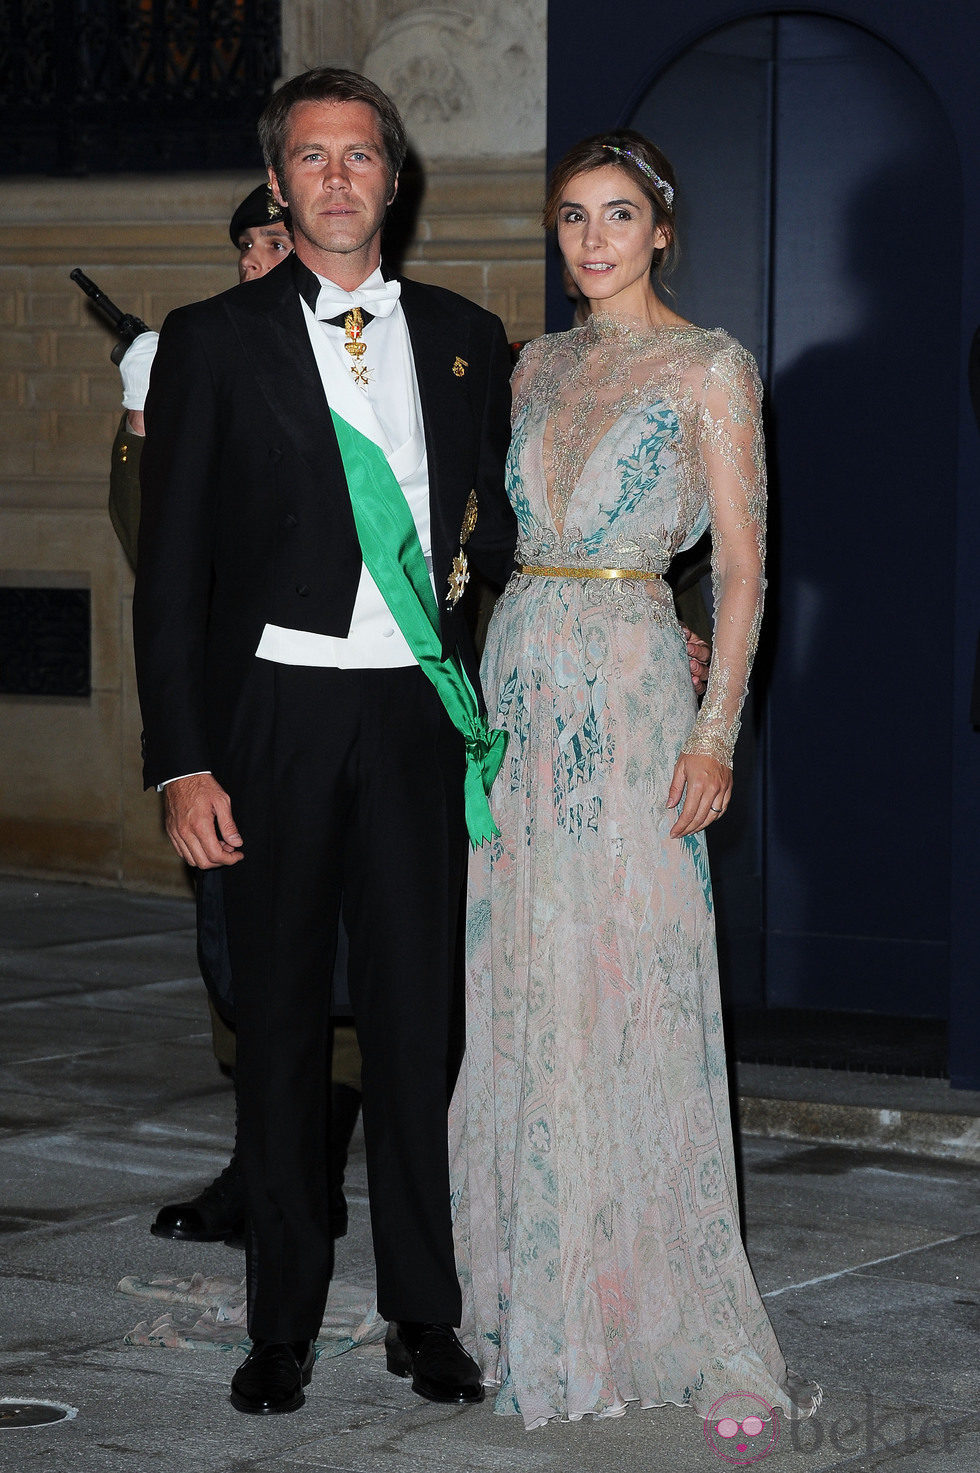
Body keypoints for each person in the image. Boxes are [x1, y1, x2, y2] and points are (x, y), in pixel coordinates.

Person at [132, 68, 518, 1416]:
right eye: (313, 158)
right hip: (275, 723)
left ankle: (425, 1311)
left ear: (393, 181)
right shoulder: (211, 338)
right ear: (282, 183)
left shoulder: (471, 338)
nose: (339, 180)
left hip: (413, 724)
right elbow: (168, 576)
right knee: (283, 1026)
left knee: (422, 1029)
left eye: (362, 157)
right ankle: (282, 1321)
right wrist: (182, 760)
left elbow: (506, 551)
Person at [450, 130, 821, 1431]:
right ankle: (539, 1282)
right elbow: (497, 533)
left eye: (618, 215)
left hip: (629, 687)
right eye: (571, 217)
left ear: (661, 230)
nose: (593, 238)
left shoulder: (710, 365)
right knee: (529, 971)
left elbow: (743, 567)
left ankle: (665, 1297)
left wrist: (715, 727)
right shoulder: (533, 366)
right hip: (519, 681)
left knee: (628, 969)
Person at [110, 185, 363, 1249]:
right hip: (236, 712)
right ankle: (263, 1159)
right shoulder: (211, 359)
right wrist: (139, 417)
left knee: (350, 953)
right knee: (239, 957)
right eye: (251, 243)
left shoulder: (368, 356)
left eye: (278, 238)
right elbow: (154, 549)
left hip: (356, 700)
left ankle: (307, 1164)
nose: (264, 256)